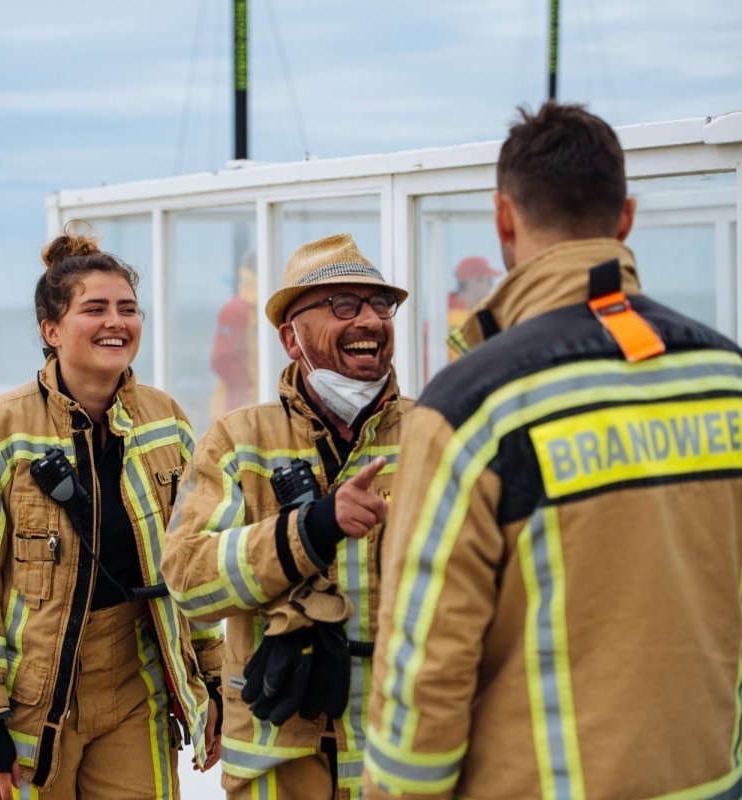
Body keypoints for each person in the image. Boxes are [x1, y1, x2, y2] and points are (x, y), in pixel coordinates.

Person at [364, 102, 742, 799]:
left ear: (504, 219)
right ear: (624, 217)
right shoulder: (726, 378)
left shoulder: (471, 405)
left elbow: (428, 666)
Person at [0, 227, 224, 800]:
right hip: (27, 696)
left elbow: (194, 566)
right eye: (95, 309)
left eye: (128, 309)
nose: (116, 322)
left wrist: (210, 681)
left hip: (139, 679)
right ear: (52, 330)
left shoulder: (168, 421)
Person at [162, 233, 411, 799]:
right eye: (343, 305)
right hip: (278, 760)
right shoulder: (237, 438)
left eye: (380, 305)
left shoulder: (434, 432)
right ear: (290, 337)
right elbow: (188, 581)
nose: (369, 320)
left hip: (401, 752)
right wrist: (310, 530)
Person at [210, 250, 259, 416]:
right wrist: (247, 389)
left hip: (255, 405)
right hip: (236, 410)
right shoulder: (237, 309)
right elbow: (220, 358)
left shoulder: (260, 307)